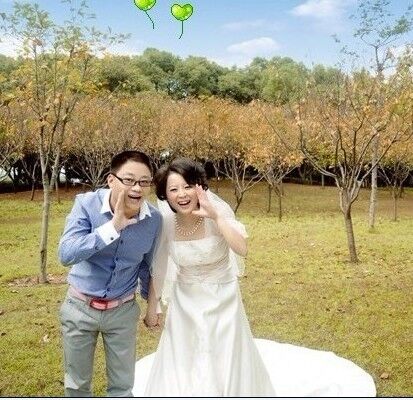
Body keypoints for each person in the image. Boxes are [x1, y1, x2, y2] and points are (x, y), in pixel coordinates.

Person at [133, 157, 377, 397]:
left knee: (225, 354)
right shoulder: (166, 223)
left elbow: (242, 249)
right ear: (165, 195)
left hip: (222, 298)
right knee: (185, 355)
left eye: (187, 186)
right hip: (185, 301)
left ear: (199, 187)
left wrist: (215, 217)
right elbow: (160, 267)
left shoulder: (217, 213)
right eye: (173, 189)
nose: (182, 194)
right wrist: (152, 308)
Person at [58, 150, 162, 397]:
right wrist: (113, 227)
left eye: (144, 182)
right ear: (111, 180)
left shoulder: (154, 220)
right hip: (80, 307)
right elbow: (66, 253)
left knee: (122, 387)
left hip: (122, 311)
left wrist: (152, 306)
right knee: (77, 385)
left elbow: (148, 266)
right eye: (129, 180)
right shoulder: (86, 204)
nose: (136, 188)